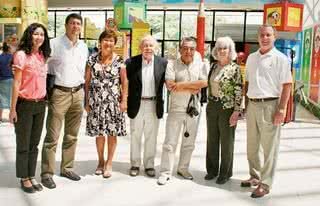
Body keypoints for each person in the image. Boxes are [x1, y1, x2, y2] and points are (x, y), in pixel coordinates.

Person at [241, 24, 292, 198]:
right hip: (253, 105)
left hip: (271, 105)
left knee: (269, 147)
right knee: (252, 145)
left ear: (274, 37)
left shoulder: (280, 58)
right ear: (258, 37)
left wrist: (282, 109)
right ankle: (254, 176)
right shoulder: (252, 58)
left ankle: (266, 183)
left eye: (268, 35)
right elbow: (247, 82)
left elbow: (287, 85)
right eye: (262, 35)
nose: (264, 38)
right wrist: (245, 104)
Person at [41, 13, 89, 189]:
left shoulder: (84, 46)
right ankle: (47, 173)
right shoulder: (54, 43)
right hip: (59, 93)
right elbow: (42, 64)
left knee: (72, 135)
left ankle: (67, 168)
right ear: (66, 25)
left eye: (78, 23)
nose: (75, 26)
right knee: (52, 135)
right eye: (72, 23)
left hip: (78, 93)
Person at [157, 37, 207, 185]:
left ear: (195, 50)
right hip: (176, 109)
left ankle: (183, 168)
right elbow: (170, 85)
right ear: (180, 49)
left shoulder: (201, 65)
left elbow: (203, 83)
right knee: (170, 142)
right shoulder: (172, 64)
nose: (188, 51)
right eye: (185, 48)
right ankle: (165, 172)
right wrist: (192, 86)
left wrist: (181, 85)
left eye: (191, 48)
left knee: (189, 142)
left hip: (193, 109)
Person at [9, 23, 51, 193]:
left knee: (34, 144)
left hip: (40, 104)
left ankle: (31, 174)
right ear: (29, 35)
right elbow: (16, 83)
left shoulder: (42, 55)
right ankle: (23, 177)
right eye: (36, 34)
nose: (39, 37)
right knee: (23, 144)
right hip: (24, 104)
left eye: (42, 34)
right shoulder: (20, 55)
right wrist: (12, 109)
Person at [84, 30, 128, 178]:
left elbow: (124, 82)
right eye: (106, 40)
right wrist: (86, 101)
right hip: (96, 102)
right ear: (100, 42)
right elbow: (87, 82)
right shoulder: (91, 60)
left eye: (111, 41)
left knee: (112, 133)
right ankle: (100, 161)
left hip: (113, 103)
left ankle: (109, 162)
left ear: (114, 44)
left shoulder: (119, 60)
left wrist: (124, 101)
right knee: (99, 134)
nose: (108, 43)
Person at [126, 35, 167, 177]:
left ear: (155, 47)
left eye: (151, 45)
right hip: (136, 104)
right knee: (135, 135)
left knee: (152, 136)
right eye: (145, 45)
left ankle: (149, 165)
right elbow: (125, 84)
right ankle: (135, 164)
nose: (148, 48)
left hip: (154, 104)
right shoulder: (131, 62)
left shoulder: (163, 63)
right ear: (140, 48)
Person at [204, 36, 242, 184]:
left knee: (227, 141)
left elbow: (239, 90)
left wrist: (236, 111)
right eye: (219, 48)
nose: (221, 51)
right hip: (212, 105)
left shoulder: (235, 68)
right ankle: (212, 170)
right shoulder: (213, 66)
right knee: (212, 140)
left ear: (230, 50)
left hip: (227, 108)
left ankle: (225, 173)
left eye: (224, 48)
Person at [0, 42, 13, 123]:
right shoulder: (13, 57)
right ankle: (11, 117)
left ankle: (0, 118)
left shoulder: (0, 57)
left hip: (2, 80)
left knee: (1, 99)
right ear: (9, 49)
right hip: (12, 80)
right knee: (12, 99)